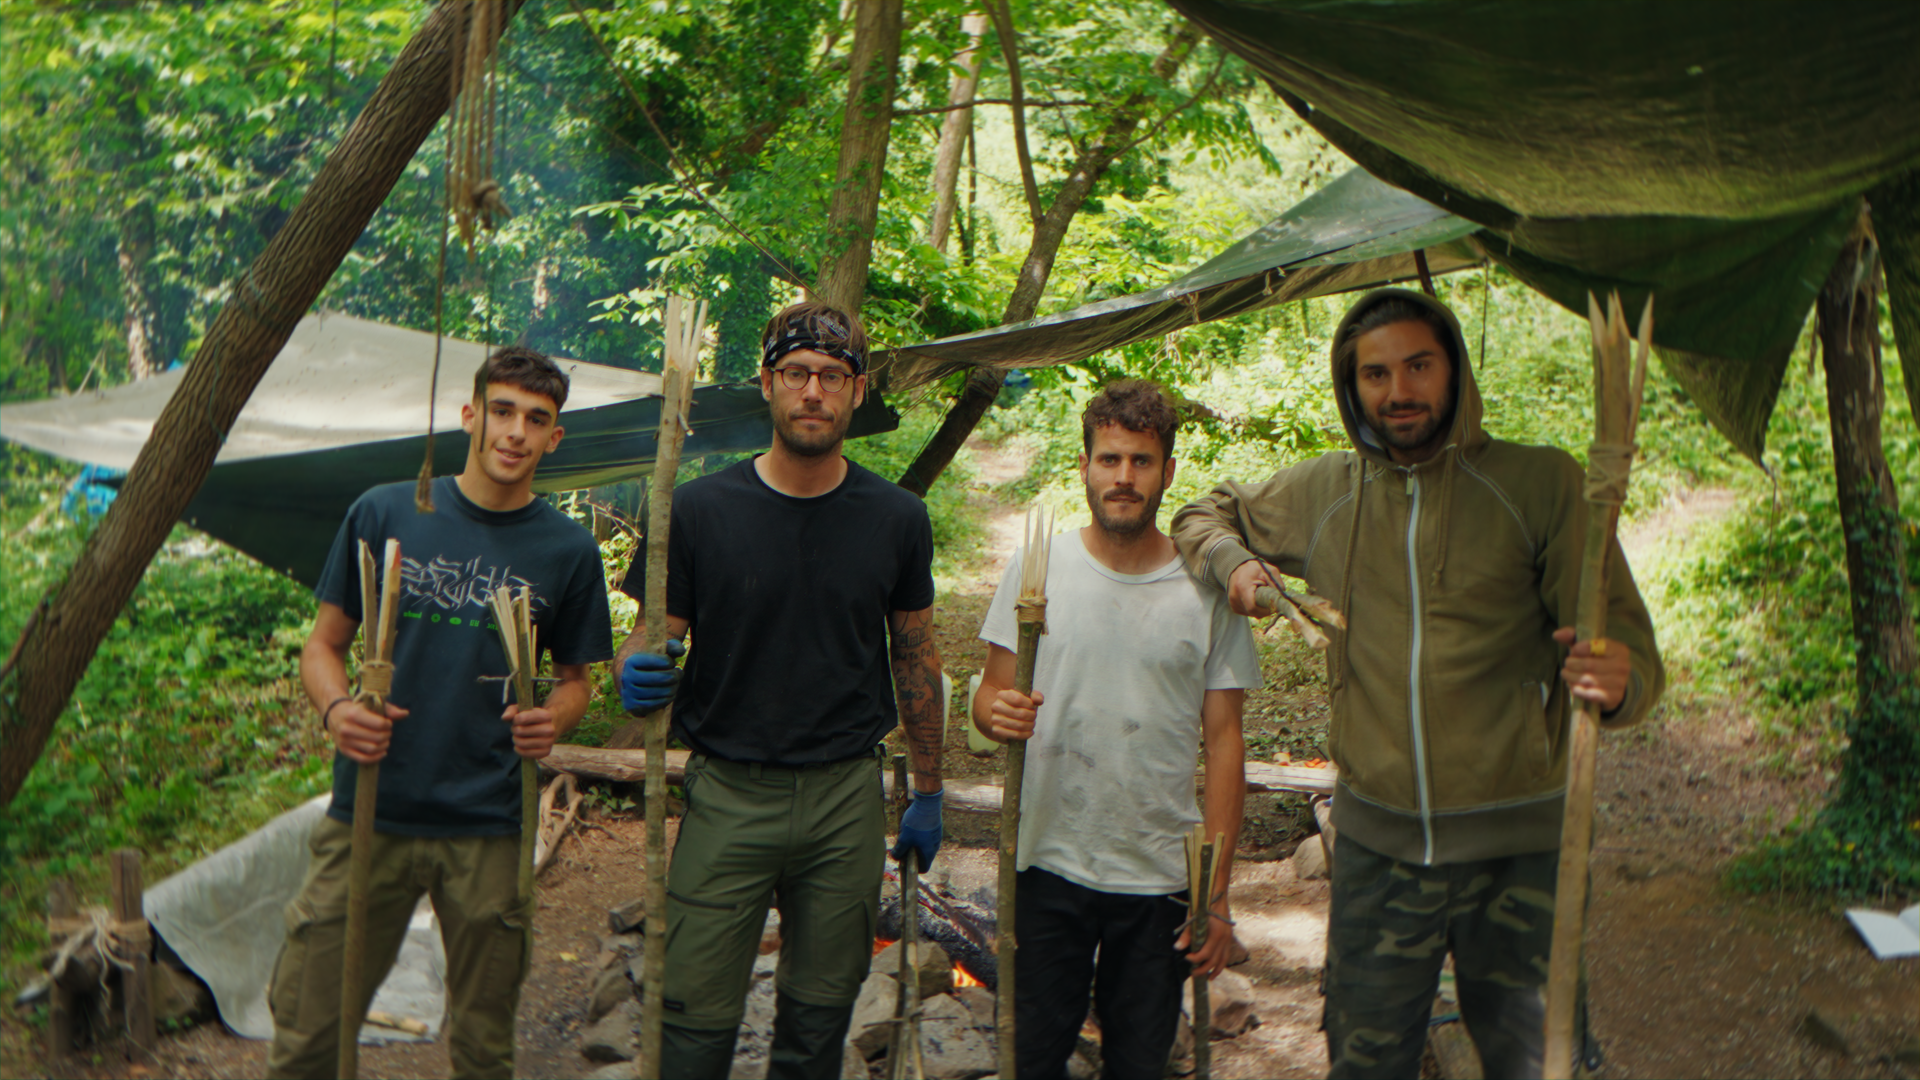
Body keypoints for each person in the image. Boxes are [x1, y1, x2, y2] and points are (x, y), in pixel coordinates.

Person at [1171, 288, 1665, 1079]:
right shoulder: (1327, 492)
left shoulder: (1541, 484)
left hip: (1521, 847)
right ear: (1351, 385)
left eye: (1417, 366)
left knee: (1539, 1061)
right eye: (1375, 374)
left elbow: (1625, 645)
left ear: (1455, 371)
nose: (1398, 391)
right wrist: (1238, 566)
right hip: (1377, 846)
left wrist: (1620, 678)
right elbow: (1200, 514)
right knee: (1365, 1059)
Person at [614, 301, 947, 1080]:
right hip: (727, 789)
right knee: (690, 1019)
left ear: (857, 393)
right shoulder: (697, 509)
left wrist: (928, 790)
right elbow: (650, 632)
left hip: (843, 800)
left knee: (819, 1020)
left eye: (833, 377)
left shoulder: (897, 518)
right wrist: (638, 670)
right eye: (796, 374)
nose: (813, 393)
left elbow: (915, 656)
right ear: (767, 383)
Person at [269, 347, 614, 1079]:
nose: (516, 432)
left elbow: (577, 681)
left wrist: (554, 718)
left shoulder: (569, 550)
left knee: (484, 1047)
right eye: (502, 411)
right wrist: (336, 711)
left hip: (488, 821)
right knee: (309, 1035)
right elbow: (323, 648)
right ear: (470, 415)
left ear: (555, 438)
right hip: (369, 810)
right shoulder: (387, 511)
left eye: (536, 419)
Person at [974, 381, 1263, 1080]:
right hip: (1047, 862)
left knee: (1140, 1064)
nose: (1123, 478)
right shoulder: (1040, 569)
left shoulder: (1203, 589)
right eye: (1109, 460)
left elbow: (1225, 742)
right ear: (1084, 466)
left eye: (1140, 461)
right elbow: (988, 698)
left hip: (1160, 877)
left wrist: (1216, 896)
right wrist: (996, 714)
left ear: (1167, 470)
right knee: (1033, 1057)